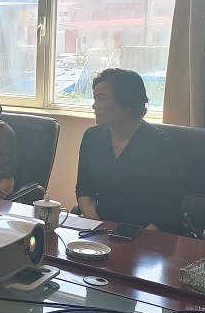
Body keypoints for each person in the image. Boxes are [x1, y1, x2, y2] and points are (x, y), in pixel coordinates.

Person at [76, 68, 184, 234]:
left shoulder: (160, 146)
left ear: (128, 104)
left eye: (102, 98)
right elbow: (84, 190)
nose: (94, 106)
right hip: (102, 231)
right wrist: (96, 226)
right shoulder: (92, 136)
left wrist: (130, 242)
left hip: (146, 236)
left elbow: (168, 216)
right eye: (94, 98)